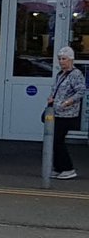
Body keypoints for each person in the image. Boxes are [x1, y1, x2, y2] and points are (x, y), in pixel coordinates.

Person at [46, 46, 85, 180]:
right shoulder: (60, 74)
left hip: (67, 114)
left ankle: (68, 168)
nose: (61, 61)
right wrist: (52, 99)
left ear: (71, 59)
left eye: (64, 59)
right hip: (57, 112)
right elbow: (56, 89)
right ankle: (59, 168)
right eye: (60, 59)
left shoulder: (76, 74)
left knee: (57, 140)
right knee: (54, 141)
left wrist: (68, 101)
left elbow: (80, 91)